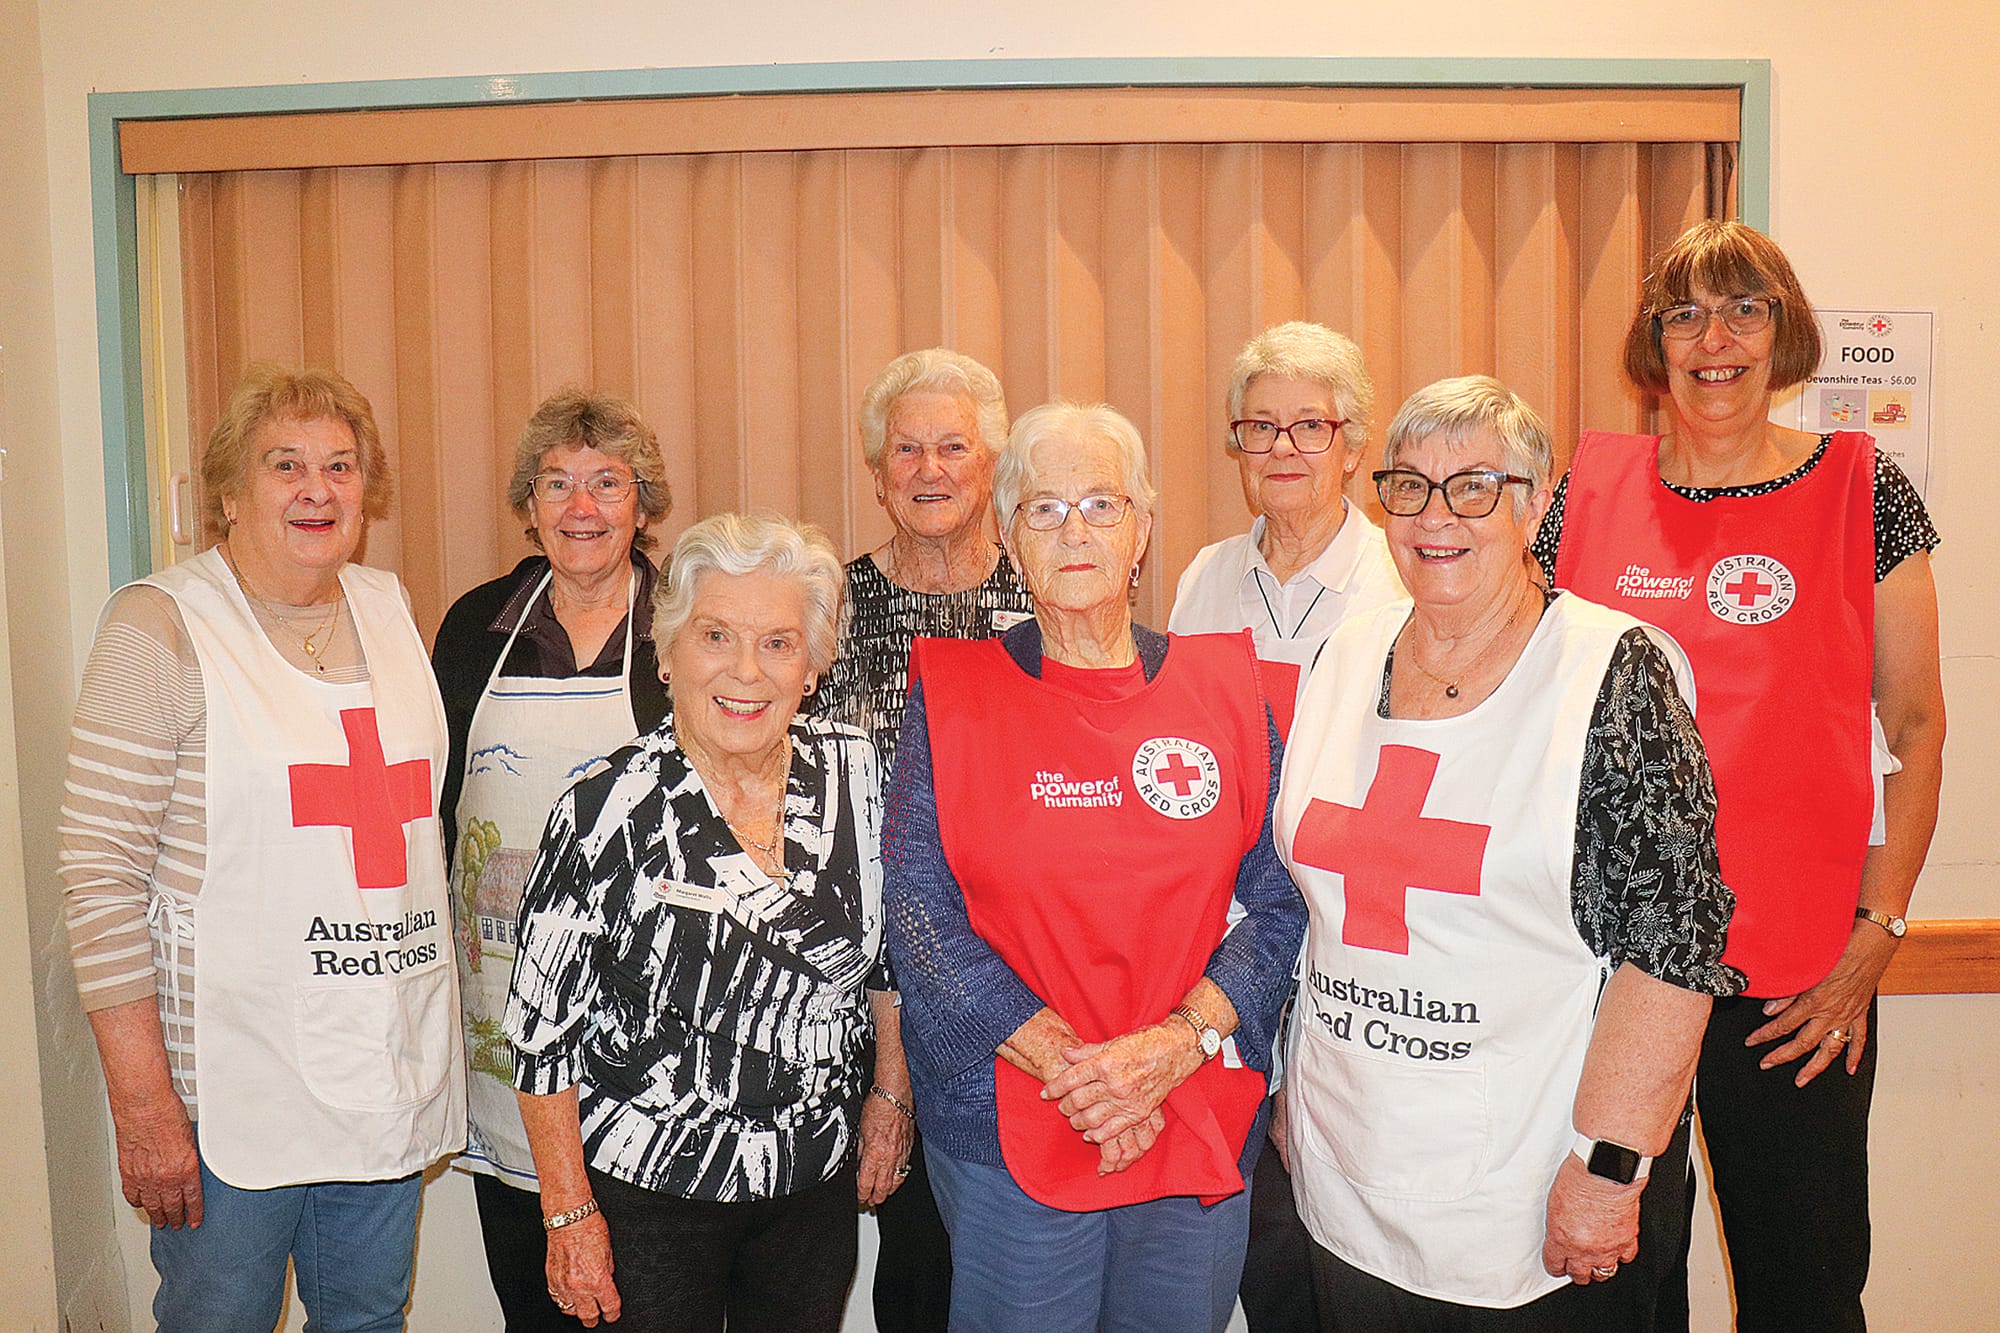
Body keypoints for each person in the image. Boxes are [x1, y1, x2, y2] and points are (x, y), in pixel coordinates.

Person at [1537, 220, 1945, 1332]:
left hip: (1795, 986)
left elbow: (1912, 721)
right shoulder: (1584, 490)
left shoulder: (1864, 487)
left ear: (1783, 332)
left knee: (1801, 1292)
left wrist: (1879, 928)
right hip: (1603, 980)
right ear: (1652, 342)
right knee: (1612, 1284)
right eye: (1683, 313)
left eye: (1743, 309)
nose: (1712, 339)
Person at [1277, 375, 1742, 1329]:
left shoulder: (1611, 672)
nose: (1435, 514)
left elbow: (1672, 951)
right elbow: (1308, 903)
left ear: (1533, 503)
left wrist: (1613, 1167)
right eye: (1408, 484)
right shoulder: (1343, 653)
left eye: (1475, 486)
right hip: (1347, 1167)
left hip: (1535, 1191)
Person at [886, 400, 1307, 1333]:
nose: (1074, 530)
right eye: (1044, 509)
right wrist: (1082, 1074)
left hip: (1188, 1097)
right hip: (1007, 1113)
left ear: (1142, 532)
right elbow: (919, 912)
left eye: (1102, 505)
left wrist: (1167, 1050)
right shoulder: (952, 694)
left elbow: (1282, 902)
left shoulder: (1228, 691)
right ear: (1008, 534)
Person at [59, 364, 463, 1331]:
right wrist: (144, 1104)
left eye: (340, 465)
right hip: (225, 1092)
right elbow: (99, 877)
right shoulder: (160, 624)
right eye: (285, 465)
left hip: (377, 1061)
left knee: (368, 1319)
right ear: (229, 494)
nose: (317, 488)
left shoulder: (389, 608)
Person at [506, 513, 909, 1331]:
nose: (746, 671)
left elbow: (885, 962)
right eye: (717, 635)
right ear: (668, 651)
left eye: (778, 642)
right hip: (651, 1194)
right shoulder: (603, 812)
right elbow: (540, 1037)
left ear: (814, 663)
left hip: (811, 1186)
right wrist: (567, 1213)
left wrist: (889, 1097)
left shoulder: (857, 772)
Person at [1168, 321, 1404, 1333]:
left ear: (1353, 443)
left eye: (1309, 424)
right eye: (1258, 426)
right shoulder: (1202, 579)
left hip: (1358, 936)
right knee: (1261, 1226)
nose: (1281, 448)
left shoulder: (1402, 581)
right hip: (1234, 938)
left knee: (1348, 1213)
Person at [431, 388, 673, 1327]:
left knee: (651, 1299)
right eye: (557, 483)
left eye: (608, 483)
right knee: (532, 1296)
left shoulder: (684, 625)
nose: (583, 507)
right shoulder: (474, 626)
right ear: (528, 506)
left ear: (643, 505)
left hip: (652, 1037)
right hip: (504, 1022)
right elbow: (435, 813)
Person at [813, 347, 1034, 1331]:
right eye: (907, 449)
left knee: (1019, 1276)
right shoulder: (821, 612)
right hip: (860, 1005)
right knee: (910, 1276)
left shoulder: (1053, 604)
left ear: (991, 462)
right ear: (875, 470)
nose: (930, 469)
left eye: (953, 445)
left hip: (1019, 1006)